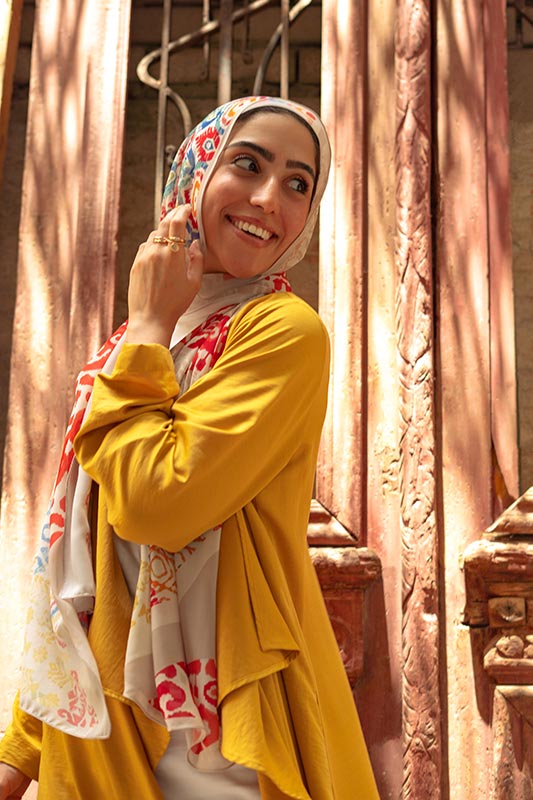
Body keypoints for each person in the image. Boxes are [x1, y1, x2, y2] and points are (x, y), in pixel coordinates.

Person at [0, 96, 378, 799]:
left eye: (298, 183)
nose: (269, 198)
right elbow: (80, 562)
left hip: (218, 736)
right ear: (193, 174)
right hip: (109, 725)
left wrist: (147, 323)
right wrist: (22, 750)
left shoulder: (282, 332)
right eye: (247, 164)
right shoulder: (135, 344)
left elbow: (156, 505)